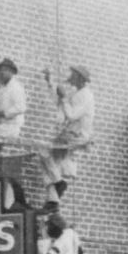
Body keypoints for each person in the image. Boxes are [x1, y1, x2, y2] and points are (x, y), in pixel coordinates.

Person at [44, 65, 94, 207]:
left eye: (73, 74)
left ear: (79, 77)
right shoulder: (76, 93)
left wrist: (64, 97)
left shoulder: (86, 95)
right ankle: (53, 199)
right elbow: (59, 102)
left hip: (77, 135)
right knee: (49, 162)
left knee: (45, 153)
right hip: (68, 134)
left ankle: (58, 184)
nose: (70, 76)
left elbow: (72, 115)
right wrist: (50, 83)